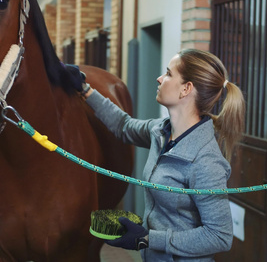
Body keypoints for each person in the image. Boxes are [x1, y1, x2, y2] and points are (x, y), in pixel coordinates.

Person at [79, 48, 245, 261]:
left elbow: (220, 236)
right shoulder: (161, 131)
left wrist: (148, 239)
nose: (159, 79)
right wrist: (85, 90)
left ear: (186, 89)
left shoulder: (205, 160)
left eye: (168, 73)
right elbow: (124, 125)